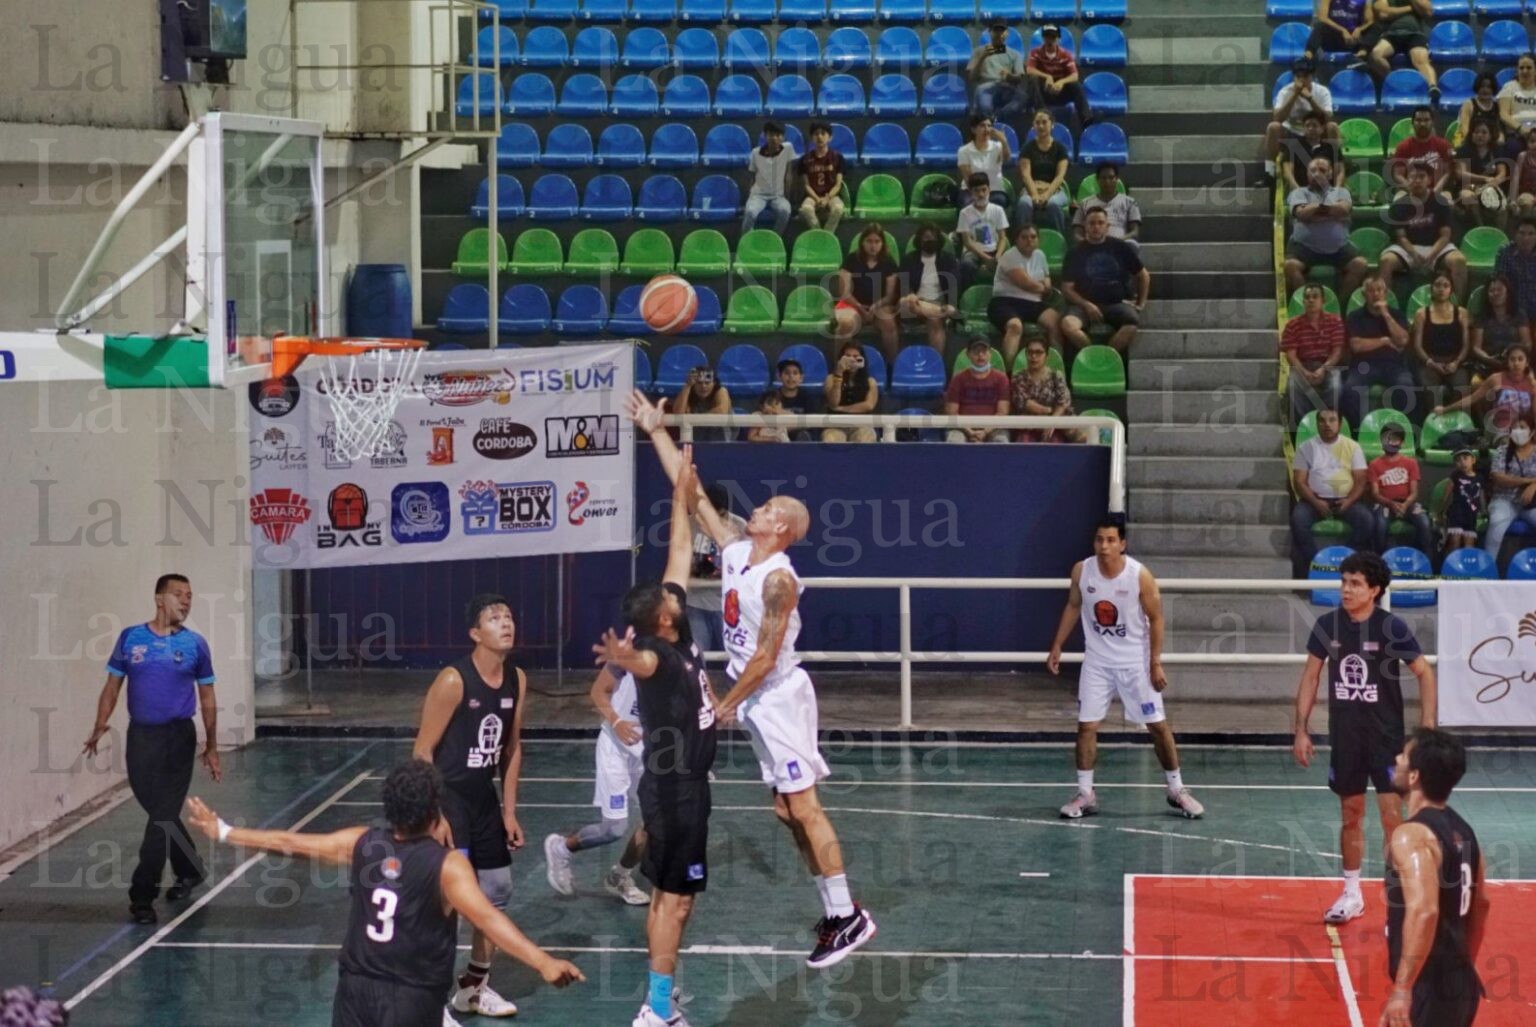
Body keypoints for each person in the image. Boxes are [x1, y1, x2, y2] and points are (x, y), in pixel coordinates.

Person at [625, 392, 879, 970]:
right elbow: (690, 497)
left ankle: (848, 916)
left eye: (764, 509)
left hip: (777, 695)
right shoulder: (739, 552)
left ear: (782, 526)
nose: (753, 511)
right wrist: (656, 432)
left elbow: (765, 658)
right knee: (787, 813)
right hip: (755, 697)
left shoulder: (779, 581)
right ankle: (836, 909)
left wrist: (723, 705)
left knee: (805, 807)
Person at [185, 761, 582, 1027]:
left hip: (355, 992)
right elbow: (489, 919)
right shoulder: (447, 866)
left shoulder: (361, 843)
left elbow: (289, 842)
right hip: (411, 1000)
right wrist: (542, 961)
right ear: (435, 811)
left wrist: (224, 831)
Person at [591, 446, 718, 1027]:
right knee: (675, 898)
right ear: (662, 619)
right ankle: (656, 1008)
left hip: (688, 785)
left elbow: (680, 549)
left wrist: (679, 495)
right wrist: (623, 656)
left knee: (677, 898)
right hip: (674, 792)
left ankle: (660, 999)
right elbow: (641, 664)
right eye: (671, 596)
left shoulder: (678, 630)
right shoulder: (658, 656)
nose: (677, 590)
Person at [1293, 550, 1438, 925]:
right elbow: (1310, 677)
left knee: (1392, 817)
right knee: (1350, 813)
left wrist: (1427, 729)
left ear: (1374, 590)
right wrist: (1301, 729)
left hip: (1387, 741)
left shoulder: (1392, 628)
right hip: (1346, 740)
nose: (1346, 589)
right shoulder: (1327, 625)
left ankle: (1397, 899)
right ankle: (1352, 893)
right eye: (1343, 582)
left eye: (1355, 583)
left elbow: (1424, 673)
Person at [412, 594, 529, 1020]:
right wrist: (434, 814)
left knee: (496, 891)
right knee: (449, 903)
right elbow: (422, 751)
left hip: (484, 801)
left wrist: (510, 811)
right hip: (447, 801)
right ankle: (430, 1001)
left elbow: (512, 748)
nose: (505, 622)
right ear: (475, 634)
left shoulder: (517, 678)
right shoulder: (453, 680)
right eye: (494, 618)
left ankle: (473, 988)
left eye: (509, 615)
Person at [82, 573, 220, 925]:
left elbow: (207, 697)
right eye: (178, 594)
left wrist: (212, 744)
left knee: (160, 816)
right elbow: (112, 686)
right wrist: (100, 722)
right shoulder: (131, 638)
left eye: (190, 595)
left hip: (179, 738)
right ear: (160, 599)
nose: (186, 601)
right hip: (141, 737)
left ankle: (142, 896)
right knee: (160, 809)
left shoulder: (195, 645)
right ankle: (190, 868)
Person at [1046, 519, 1205, 821]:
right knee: (1086, 727)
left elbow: (1156, 619)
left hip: (1135, 664)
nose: (1103, 546)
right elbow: (1073, 605)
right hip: (1097, 663)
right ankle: (1085, 794)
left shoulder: (1139, 576)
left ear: (1122, 544)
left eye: (1109, 540)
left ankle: (1177, 790)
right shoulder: (1082, 571)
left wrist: (1154, 663)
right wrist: (1057, 645)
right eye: (1098, 540)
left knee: (1157, 727)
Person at [1383, 729, 1488, 1027]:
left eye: (1403, 756)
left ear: (1414, 776)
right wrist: (1465, 964)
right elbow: (1482, 905)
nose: (1396, 759)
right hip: (1460, 983)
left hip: (1429, 986)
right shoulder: (1465, 831)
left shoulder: (1411, 835)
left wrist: (1402, 990)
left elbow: (1424, 910)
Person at [543, 667, 652, 907]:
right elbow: (598, 692)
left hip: (651, 751)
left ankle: (619, 876)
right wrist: (617, 722)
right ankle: (561, 847)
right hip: (616, 749)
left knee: (656, 821)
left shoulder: (682, 652)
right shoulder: (628, 650)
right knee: (614, 828)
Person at [1291, 407, 1373, 576]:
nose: (1327, 424)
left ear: (1340, 424)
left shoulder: (1353, 447)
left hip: (1345, 500)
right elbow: (1299, 482)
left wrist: (1349, 501)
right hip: (1314, 501)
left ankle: (1345, 562)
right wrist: (1315, 501)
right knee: (1298, 520)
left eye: (1332, 420)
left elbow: (1361, 481)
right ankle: (1318, 567)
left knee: (1367, 521)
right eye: (1322, 420)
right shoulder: (1306, 447)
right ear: (1317, 424)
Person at [1061, 207, 1150, 353]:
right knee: (1067, 324)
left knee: (1132, 322)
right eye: (1092, 223)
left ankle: (1107, 356)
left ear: (1107, 226)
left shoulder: (1120, 247)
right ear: (1085, 227)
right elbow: (1067, 288)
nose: (1096, 227)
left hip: (1115, 304)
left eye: (1100, 223)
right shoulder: (1074, 252)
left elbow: (1144, 275)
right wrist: (1086, 305)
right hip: (1084, 306)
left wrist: (1141, 304)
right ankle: (1092, 354)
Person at [1285, 155, 1369, 300]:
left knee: (1360, 265)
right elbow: (1301, 214)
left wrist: (1314, 211)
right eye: (1312, 170)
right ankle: (1306, 305)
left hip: (1339, 248)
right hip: (1304, 247)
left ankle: (1338, 305)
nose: (1317, 174)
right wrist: (1329, 211)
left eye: (1322, 170)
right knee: (1290, 266)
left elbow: (1343, 210)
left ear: (1330, 173)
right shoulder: (1298, 193)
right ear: (1307, 174)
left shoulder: (1342, 192)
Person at [1381, 162, 1467, 301]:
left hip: (1436, 246)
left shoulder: (1440, 202)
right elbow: (1401, 237)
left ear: (1429, 179)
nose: (1417, 181)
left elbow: (1445, 235)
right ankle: (1386, 307)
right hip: (1409, 247)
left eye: (1421, 176)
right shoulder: (1399, 205)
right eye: (1413, 177)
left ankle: (1459, 307)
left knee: (1459, 260)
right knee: (1386, 261)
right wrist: (1414, 254)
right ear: (1407, 180)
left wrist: (1431, 255)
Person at [1342, 275, 1417, 431]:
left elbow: (1402, 340)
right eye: (1370, 290)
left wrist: (1386, 314)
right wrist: (1384, 341)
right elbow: (1356, 345)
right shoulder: (1355, 316)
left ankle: (1399, 432)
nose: (1375, 294)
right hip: (1363, 366)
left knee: (1407, 385)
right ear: (1364, 295)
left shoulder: (1396, 314)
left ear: (1385, 293)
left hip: (1393, 365)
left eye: (1379, 290)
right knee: (1350, 389)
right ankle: (1359, 432)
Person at [990, 222, 1062, 366]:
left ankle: (1056, 367)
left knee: (1056, 321)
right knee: (1015, 326)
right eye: (1024, 237)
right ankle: (1009, 372)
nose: (1029, 240)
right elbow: (1027, 284)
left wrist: (1043, 286)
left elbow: (1046, 278)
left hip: (1033, 303)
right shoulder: (1009, 256)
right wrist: (1044, 288)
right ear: (1016, 240)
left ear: (1038, 239)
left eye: (1033, 237)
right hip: (1005, 302)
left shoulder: (1040, 255)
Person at [1435, 342, 1535, 438]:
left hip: (1524, 429)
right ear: (1507, 362)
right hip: (1500, 428)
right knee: (1507, 443)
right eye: (1512, 359)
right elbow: (1471, 399)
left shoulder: (1532, 384)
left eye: (1520, 359)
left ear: (1527, 363)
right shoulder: (1496, 379)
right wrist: (1445, 410)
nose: (1516, 363)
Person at [1282, 282, 1347, 428]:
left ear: (1322, 301)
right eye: (1307, 297)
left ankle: (1328, 424)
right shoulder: (1293, 324)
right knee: (1292, 385)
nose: (1310, 300)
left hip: (1328, 364)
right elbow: (1291, 355)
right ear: (1303, 301)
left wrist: (1324, 369)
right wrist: (1303, 372)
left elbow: (1337, 351)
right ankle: (1305, 426)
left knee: (1336, 386)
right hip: (1302, 365)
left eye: (1315, 297)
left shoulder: (1335, 321)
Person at [1264, 58, 1337, 185]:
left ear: (1312, 76)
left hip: (1315, 132)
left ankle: (1333, 169)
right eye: (1298, 77)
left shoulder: (1322, 91)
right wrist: (1295, 95)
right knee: (1273, 127)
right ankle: (1270, 173)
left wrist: (1310, 98)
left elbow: (1327, 118)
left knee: (1332, 127)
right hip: (1292, 132)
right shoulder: (1285, 91)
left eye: (1306, 76)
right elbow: (1277, 118)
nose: (1302, 80)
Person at [834, 224, 899, 360]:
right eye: (869, 241)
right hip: (853, 305)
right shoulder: (851, 259)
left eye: (877, 242)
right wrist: (859, 307)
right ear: (862, 242)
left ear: (882, 243)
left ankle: (892, 365)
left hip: (880, 306)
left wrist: (875, 307)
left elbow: (890, 295)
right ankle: (839, 367)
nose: (873, 246)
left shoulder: (889, 262)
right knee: (845, 324)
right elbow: (844, 292)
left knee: (889, 323)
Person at [1368, 421, 1434, 555]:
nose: (1390, 442)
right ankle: (1379, 561)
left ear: (1402, 443)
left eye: (1394, 439)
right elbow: (1375, 494)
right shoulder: (1374, 464)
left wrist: (1404, 505)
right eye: (1387, 438)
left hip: (1408, 503)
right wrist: (1391, 504)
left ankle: (1425, 563)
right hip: (1384, 503)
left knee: (1424, 522)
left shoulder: (1411, 463)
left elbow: (1414, 492)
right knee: (1380, 525)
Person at [896, 223, 959, 354]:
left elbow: (954, 285)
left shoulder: (948, 259)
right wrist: (911, 295)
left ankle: (936, 365)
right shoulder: (909, 259)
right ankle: (940, 312)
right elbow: (903, 284)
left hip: (938, 302)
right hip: (915, 303)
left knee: (934, 320)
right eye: (925, 238)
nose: (929, 241)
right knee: (906, 302)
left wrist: (950, 304)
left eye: (933, 238)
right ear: (919, 240)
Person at [1409, 271, 1470, 407]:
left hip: (1454, 361)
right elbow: (1417, 346)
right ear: (1432, 288)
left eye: (1445, 285)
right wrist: (1430, 362)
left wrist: (1456, 363)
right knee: (1430, 389)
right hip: (1430, 361)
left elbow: (1466, 345)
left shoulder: (1461, 313)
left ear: (1451, 290)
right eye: (1437, 285)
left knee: (1462, 388)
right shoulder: (1422, 313)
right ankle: (1433, 423)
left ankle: (1456, 424)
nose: (1441, 289)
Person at [1481, 410, 1536, 558]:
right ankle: (1488, 570)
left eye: (1523, 428)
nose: (1518, 431)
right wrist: (1528, 481)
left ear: (1532, 432)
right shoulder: (1503, 451)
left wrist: (1534, 485)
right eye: (1515, 428)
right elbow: (1498, 477)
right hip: (1504, 500)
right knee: (1496, 525)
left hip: (1531, 505)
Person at [1366, 0, 1439, 107]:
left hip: (1415, 33)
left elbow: (1428, 11)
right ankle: (1394, 82)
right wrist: (1410, 8)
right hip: (1391, 34)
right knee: (1376, 55)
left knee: (1421, 60)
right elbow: (1384, 13)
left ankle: (1432, 87)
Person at [1011, 338, 1082, 443]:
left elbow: (1063, 402)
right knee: (1024, 443)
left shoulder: (1056, 376)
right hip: (1028, 426)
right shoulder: (1018, 378)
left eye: (1038, 352)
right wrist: (1049, 411)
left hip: (1054, 426)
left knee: (1055, 443)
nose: (1033, 356)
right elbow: (1024, 403)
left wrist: (1052, 422)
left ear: (1046, 356)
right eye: (1030, 352)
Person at [944, 338, 1011, 443]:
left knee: (1001, 440)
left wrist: (984, 432)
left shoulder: (1001, 379)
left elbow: (1002, 412)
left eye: (984, 351)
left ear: (990, 354)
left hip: (993, 428)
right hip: (962, 428)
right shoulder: (958, 379)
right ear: (968, 354)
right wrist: (970, 431)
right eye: (976, 351)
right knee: (954, 441)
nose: (980, 355)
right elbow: (952, 412)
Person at [1026, 24, 1093, 128]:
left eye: (1053, 37)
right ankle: (1042, 114)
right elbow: (1030, 70)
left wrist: (1062, 82)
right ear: (1043, 38)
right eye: (1047, 37)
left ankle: (1086, 118)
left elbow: (1074, 75)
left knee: (1075, 85)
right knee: (1033, 80)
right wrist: (1047, 76)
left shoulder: (1065, 55)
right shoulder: (1036, 53)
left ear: (1058, 39)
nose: (1050, 40)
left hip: (1060, 92)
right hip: (1044, 92)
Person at [1016, 109, 1071, 235]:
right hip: (1031, 188)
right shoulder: (1027, 148)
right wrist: (1034, 194)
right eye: (1037, 122)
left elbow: (1059, 176)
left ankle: (1059, 239)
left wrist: (1046, 195)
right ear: (1033, 125)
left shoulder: (1060, 149)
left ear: (1052, 124)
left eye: (1044, 122)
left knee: (1053, 204)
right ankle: (1022, 239)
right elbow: (1026, 175)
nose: (1040, 126)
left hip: (1055, 189)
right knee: (1024, 203)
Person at [967, 21, 1029, 126]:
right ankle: (993, 122)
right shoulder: (978, 52)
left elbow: (1019, 79)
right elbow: (972, 78)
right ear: (990, 32)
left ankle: (995, 118)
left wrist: (1009, 76)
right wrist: (982, 58)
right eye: (996, 31)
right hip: (986, 86)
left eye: (1002, 31)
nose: (999, 34)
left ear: (1007, 33)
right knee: (985, 104)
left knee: (1023, 97)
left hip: (1006, 87)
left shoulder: (1015, 54)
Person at [1451, 120, 1508, 229]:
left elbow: (1502, 173)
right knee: (1469, 197)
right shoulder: (1463, 150)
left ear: (1491, 135)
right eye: (1476, 132)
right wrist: (1485, 179)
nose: (1479, 135)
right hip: (1467, 188)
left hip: (1489, 188)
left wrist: (1493, 182)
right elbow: (1461, 174)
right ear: (1471, 134)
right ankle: (1480, 229)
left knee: (1502, 204)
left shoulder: (1496, 150)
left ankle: (1500, 235)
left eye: (1484, 132)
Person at [1072, 163, 1142, 251]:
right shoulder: (1085, 203)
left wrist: (1116, 241)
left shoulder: (1129, 202)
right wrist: (1089, 242)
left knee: (1132, 245)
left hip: (1119, 244)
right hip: (1092, 245)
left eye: (1111, 178)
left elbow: (1135, 232)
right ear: (1097, 180)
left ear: (1117, 179)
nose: (1107, 181)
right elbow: (1077, 233)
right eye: (1103, 178)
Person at [957, 172, 1010, 287]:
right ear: (970, 193)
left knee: (1008, 265)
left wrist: (997, 257)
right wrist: (986, 259)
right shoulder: (964, 213)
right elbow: (967, 242)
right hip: (973, 252)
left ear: (989, 190)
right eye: (976, 191)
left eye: (983, 190)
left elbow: (1002, 237)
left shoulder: (998, 210)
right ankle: (965, 296)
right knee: (967, 264)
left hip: (994, 250)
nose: (981, 194)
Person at [742, 121, 795, 236]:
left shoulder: (788, 148)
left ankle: (774, 239)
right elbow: (751, 177)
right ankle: (746, 241)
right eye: (771, 134)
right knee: (750, 212)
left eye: (778, 135)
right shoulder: (755, 153)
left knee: (785, 211)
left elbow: (789, 174)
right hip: (758, 195)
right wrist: (749, 197)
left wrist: (787, 196)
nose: (775, 138)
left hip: (778, 196)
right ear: (765, 136)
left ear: (783, 137)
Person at [1469, 274, 1530, 373]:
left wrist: (1515, 357)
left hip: (1515, 364)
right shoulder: (1482, 316)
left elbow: (1527, 343)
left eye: (1500, 289)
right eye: (1491, 290)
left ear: (1508, 292)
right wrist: (1488, 359)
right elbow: (1476, 347)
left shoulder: (1519, 314)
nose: (1496, 293)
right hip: (1488, 363)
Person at [822, 342, 880, 443]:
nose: (851, 360)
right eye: (847, 357)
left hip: (861, 425)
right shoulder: (830, 379)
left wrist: (842, 409)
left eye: (855, 357)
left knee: (864, 438)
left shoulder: (871, 382)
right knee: (831, 440)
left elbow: (869, 405)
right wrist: (839, 374)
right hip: (836, 425)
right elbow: (833, 402)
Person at [1389, 107, 1454, 195]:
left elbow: (1447, 173)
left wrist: (1433, 193)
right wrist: (1413, 190)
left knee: (1447, 202)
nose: (1422, 124)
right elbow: (1398, 175)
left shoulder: (1444, 145)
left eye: (1426, 120)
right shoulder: (1403, 147)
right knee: (1398, 201)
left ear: (1432, 122)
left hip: (1437, 191)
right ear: (1413, 123)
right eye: (1418, 120)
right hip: (1409, 191)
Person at [1281, 110, 1345, 193]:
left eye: (1314, 125)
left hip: (1328, 192)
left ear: (1322, 128)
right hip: (1302, 191)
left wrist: (1336, 192)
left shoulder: (1331, 147)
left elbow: (1340, 172)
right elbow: (1287, 173)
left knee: (1344, 204)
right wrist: (1298, 191)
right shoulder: (1294, 146)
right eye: (1307, 126)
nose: (1310, 128)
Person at [797, 122, 845, 232]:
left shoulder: (837, 157)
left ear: (830, 137)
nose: (819, 137)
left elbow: (838, 184)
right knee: (806, 208)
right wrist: (818, 199)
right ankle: (818, 234)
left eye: (823, 133)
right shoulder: (805, 159)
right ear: (812, 138)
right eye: (816, 134)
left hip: (832, 195)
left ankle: (827, 236)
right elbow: (806, 185)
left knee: (838, 208)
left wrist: (827, 198)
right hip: (812, 195)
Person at [957, 114, 1012, 208]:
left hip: (995, 190)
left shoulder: (998, 146)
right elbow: (968, 178)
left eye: (989, 126)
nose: (987, 129)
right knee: (968, 204)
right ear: (973, 129)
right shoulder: (964, 151)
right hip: (971, 190)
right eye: (982, 125)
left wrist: (1004, 141)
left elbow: (1007, 158)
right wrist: (980, 195)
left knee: (999, 201)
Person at [1439, 447, 1485, 556]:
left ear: (1473, 460)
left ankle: (1466, 570)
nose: (1462, 462)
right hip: (1457, 513)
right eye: (1458, 460)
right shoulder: (1455, 475)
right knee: (1455, 541)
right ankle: (1448, 566)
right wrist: (1441, 511)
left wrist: (1484, 510)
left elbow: (1481, 495)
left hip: (1471, 515)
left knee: (1469, 545)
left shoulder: (1480, 478)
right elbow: (1447, 494)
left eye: (1465, 458)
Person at [1492, 216, 1536, 327]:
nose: (1526, 238)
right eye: (1522, 233)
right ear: (1515, 234)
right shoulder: (1505, 252)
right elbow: (1499, 283)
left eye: (1531, 234)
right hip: (1513, 311)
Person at [1304, 0, 1374, 65]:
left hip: (1354, 38)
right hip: (1334, 37)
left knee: (1373, 27)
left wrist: (1360, 29)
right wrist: (1342, 30)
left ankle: (1361, 54)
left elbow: (1370, 21)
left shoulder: (1364, 1)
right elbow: (1322, 18)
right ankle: (1308, 56)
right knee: (1320, 25)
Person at [674, 366, 732, 443]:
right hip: (696, 442)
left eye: (707, 383)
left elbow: (721, 412)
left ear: (714, 383)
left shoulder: (721, 391)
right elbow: (678, 414)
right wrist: (687, 387)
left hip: (721, 442)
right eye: (699, 383)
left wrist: (693, 418)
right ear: (693, 384)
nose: (703, 386)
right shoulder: (687, 392)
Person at [1456, 71, 1504, 154]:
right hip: (1471, 142)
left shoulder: (1497, 106)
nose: (1485, 90)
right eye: (1482, 86)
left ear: (1493, 89)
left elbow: (1498, 129)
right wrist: (1480, 141)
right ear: (1477, 87)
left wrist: (1500, 139)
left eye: (1489, 87)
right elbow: (1464, 130)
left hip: (1490, 144)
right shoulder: (1469, 104)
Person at [1497, 53, 1536, 151]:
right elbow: (1503, 114)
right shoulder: (1509, 87)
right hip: (1516, 133)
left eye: (1529, 68)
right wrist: (1520, 128)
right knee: (1513, 147)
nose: (1524, 71)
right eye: (1521, 68)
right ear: (1517, 71)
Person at [774, 359, 817, 441]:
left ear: (801, 378)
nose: (791, 377)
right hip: (777, 438)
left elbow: (812, 423)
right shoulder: (772, 397)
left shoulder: (808, 397)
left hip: (801, 439)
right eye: (787, 373)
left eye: (795, 373)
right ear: (779, 376)